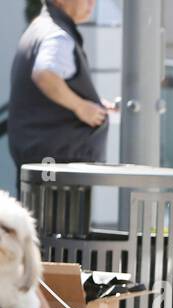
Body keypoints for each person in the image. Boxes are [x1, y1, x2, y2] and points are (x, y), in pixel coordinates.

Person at [7, 0, 114, 179]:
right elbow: (45, 74)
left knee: (36, 208)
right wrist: (81, 107)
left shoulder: (40, 28)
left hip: (45, 160)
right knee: (53, 208)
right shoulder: (57, 35)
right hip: (57, 165)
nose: (92, 2)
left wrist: (92, 104)